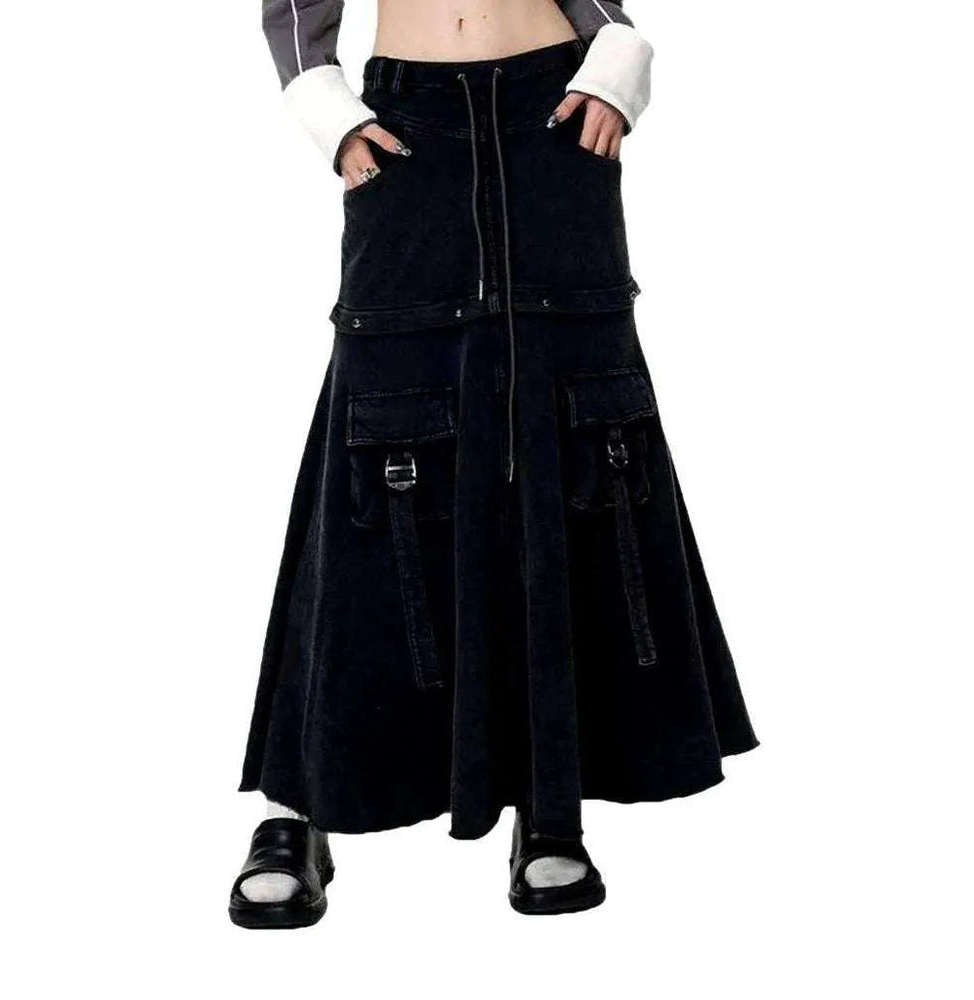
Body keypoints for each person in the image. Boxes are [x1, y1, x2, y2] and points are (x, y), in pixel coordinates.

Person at [229, 0, 759, 928]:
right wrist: (327, 107)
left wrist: (615, 65)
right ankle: (301, 802)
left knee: (574, 435)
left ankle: (549, 796)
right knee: (377, 443)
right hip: (404, 127)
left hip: (558, 111)